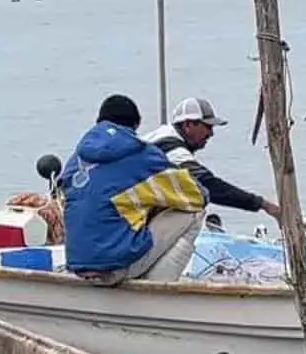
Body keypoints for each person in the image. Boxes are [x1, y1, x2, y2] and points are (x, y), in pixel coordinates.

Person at [62, 94, 208, 285]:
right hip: (115, 266)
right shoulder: (141, 154)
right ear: (135, 126)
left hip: (78, 265)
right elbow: (197, 195)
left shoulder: (75, 160)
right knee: (194, 212)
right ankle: (155, 287)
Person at [143, 97, 282, 222]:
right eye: (208, 126)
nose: (211, 133)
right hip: (135, 215)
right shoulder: (173, 149)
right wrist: (262, 204)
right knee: (194, 210)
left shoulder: (159, 137)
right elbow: (210, 186)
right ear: (188, 125)